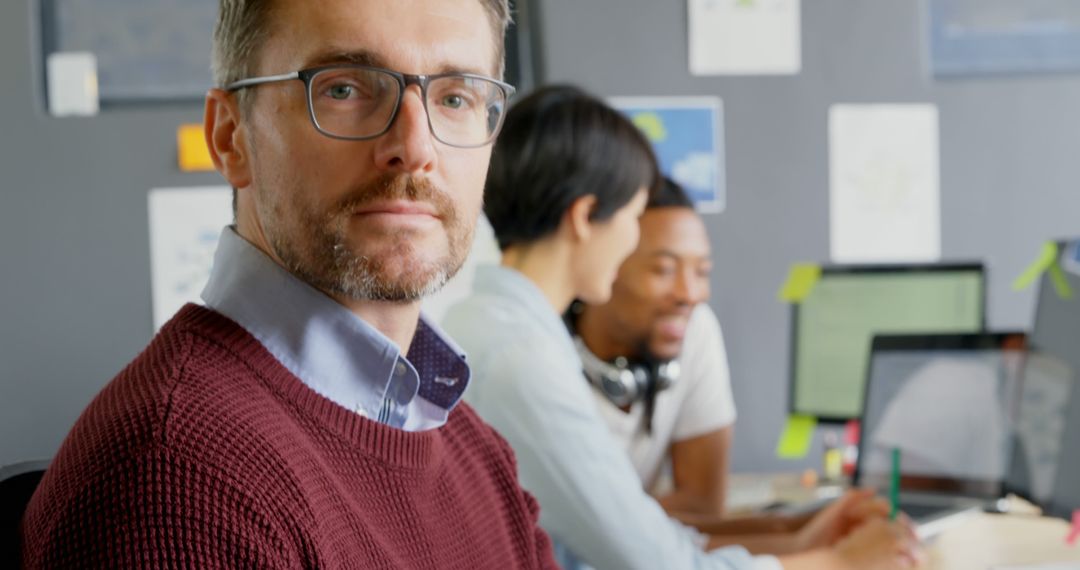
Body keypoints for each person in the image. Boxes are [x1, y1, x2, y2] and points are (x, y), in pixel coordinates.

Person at [20, 0, 558, 567]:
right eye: (344, 89)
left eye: (454, 98)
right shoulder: (174, 478)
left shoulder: (475, 449)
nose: (416, 147)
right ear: (231, 137)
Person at [443, 85, 922, 570]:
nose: (631, 241)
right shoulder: (520, 361)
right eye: (633, 218)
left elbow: (622, 535)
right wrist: (836, 564)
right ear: (585, 218)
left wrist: (802, 542)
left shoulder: (483, 325)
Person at [568, 177, 735, 519]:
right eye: (664, 270)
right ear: (606, 266)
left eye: (702, 271)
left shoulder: (696, 329)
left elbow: (703, 505)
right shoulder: (539, 352)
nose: (689, 294)